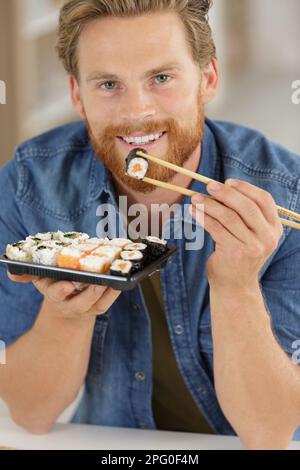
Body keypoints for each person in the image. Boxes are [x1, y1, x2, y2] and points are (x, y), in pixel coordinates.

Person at [0, 0, 300, 450]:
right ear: (77, 96)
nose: (137, 111)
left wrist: (236, 285)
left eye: (162, 78)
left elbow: (269, 434)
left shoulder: (285, 194)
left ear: (207, 79)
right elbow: (29, 412)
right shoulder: (31, 183)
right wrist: (65, 316)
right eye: (108, 84)